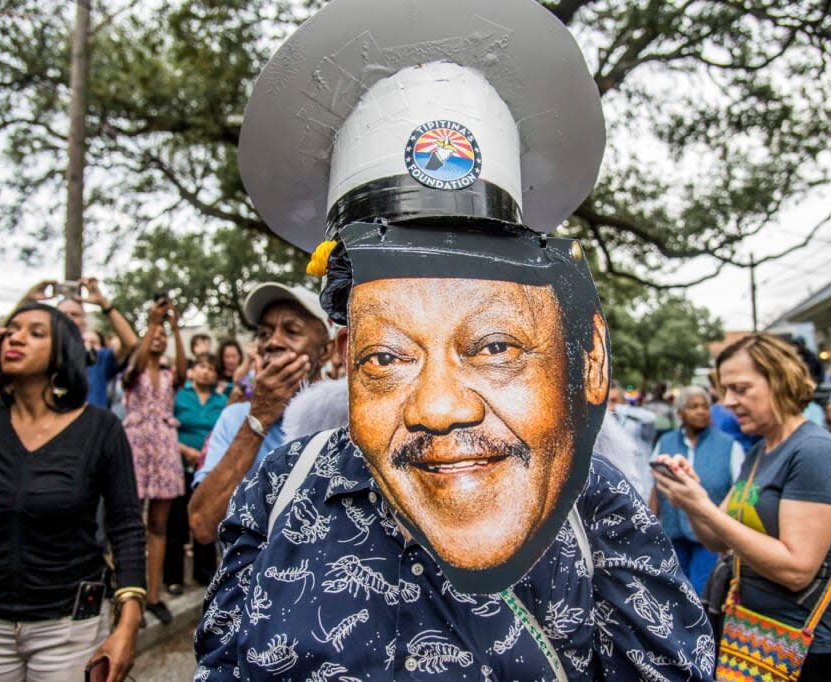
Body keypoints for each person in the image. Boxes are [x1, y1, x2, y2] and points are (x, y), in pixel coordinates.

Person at [197, 1, 713, 677]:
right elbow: (220, 656)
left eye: (494, 345)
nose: (440, 404)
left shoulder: (593, 502)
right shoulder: (284, 484)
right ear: (347, 353)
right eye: (388, 352)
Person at [0, 304, 145, 681]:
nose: (16, 337)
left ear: (62, 351)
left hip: (70, 627)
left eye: (35, 332)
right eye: (11, 330)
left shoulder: (100, 428)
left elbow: (127, 527)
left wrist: (127, 627)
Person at [654, 333, 831, 680]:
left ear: (779, 380)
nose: (727, 402)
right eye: (724, 390)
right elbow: (718, 541)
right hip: (751, 635)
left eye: (740, 388)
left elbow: (796, 570)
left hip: (804, 648)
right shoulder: (760, 452)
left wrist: (704, 508)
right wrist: (687, 498)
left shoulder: (813, 452)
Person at [187, 284, 334, 545]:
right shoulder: (235, 418)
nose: (273, 343)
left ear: (325, 351)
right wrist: (259, 418)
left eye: (292, 331)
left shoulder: (344, 419)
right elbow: (202, 525)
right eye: (265, 333)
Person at [122, 298, 186, 625]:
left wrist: (174, 327)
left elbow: (184, 370)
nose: (158, 338)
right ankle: (129, 597)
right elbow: (134, 365)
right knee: (131, 524)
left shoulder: (171, 373)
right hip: (135, 447)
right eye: (154, 335)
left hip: (163, 450)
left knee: (158, 525)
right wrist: (152, 322)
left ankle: (154, 595)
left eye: (163, 337)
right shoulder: (132, 372)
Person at [650, 385, 744, 594]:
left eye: (704, 406)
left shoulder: (729, 445)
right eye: (693, 407)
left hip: (710, 532)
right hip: (673, 531)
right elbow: (655, 487)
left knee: (703, 588)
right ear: (681, 413)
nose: (701, 411)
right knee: (675, 586)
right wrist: (651, 523)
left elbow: (739, 488)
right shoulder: (666, 441)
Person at [19, 278, 139, 409]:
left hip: (91, 428)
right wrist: (28, 300)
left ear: (84, 323)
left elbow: (131, 343)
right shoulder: (39, 356)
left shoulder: (97, 359)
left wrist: (104, 304)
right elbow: (5, 340)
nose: (68, 318)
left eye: (74, 314)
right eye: (62, 314)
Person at [164, 353, 227, 594]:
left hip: (208, 470)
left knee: (206, 519)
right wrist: (184, 449)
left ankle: (205, 573)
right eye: (201, 366)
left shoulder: (221, 400)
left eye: (211, 368)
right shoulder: (180, 396)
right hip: (179, 466)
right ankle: (173, 577)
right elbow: (167, 427)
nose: (205, 372)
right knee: (176, 523)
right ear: (192, 371)